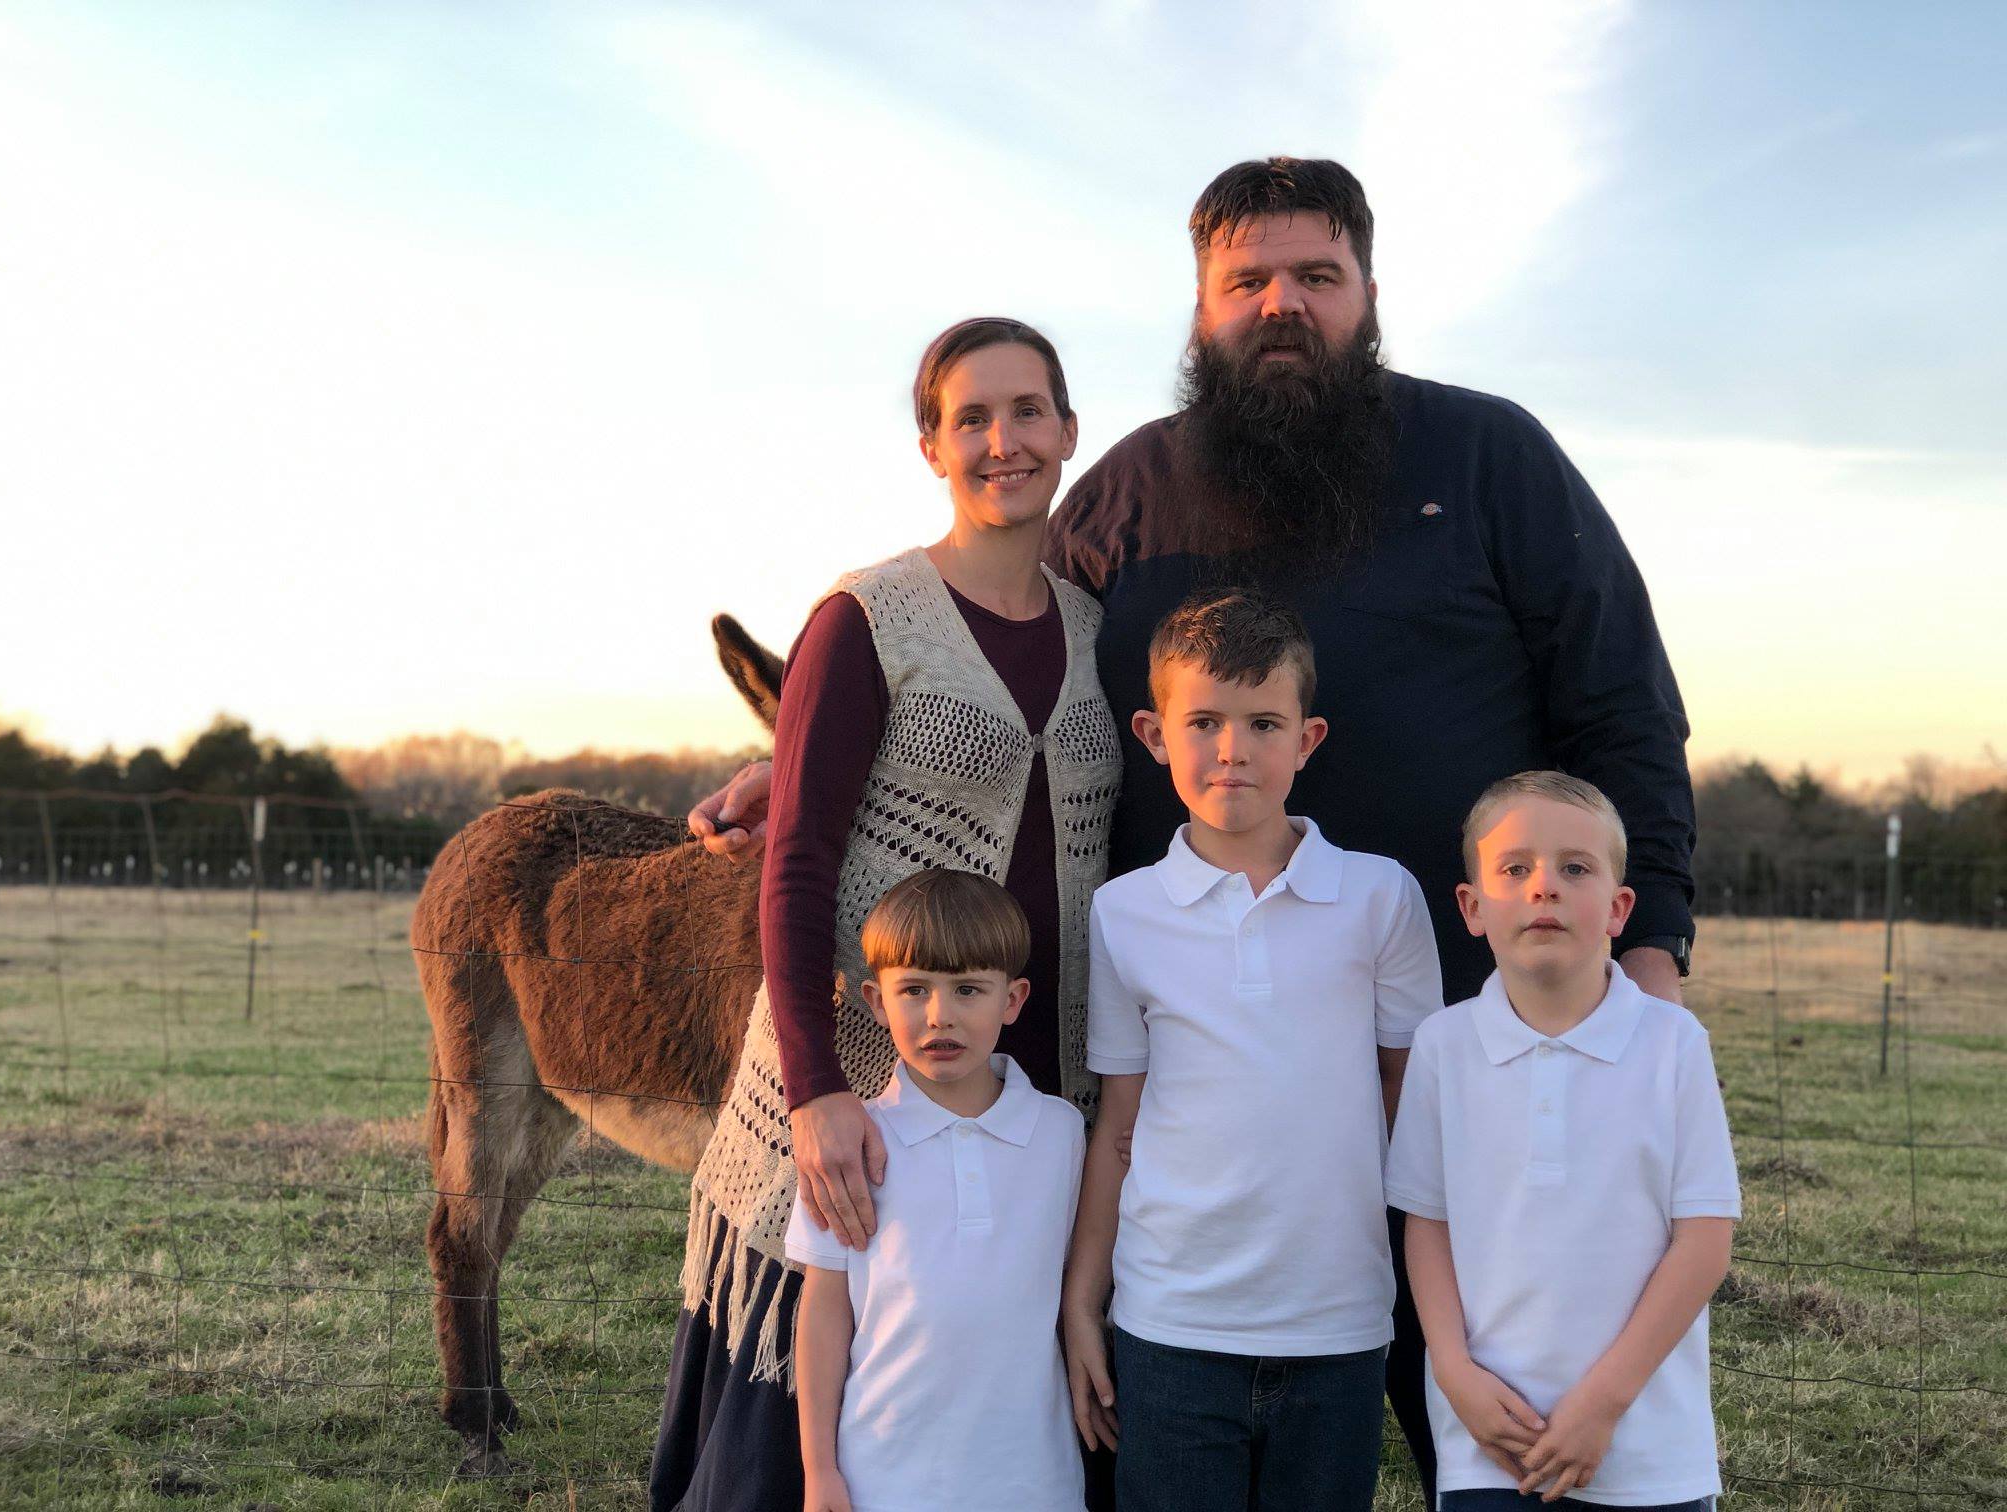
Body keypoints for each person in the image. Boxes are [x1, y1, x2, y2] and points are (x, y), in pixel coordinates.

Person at [689, 157, 1698, 1503]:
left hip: (1470, 1028)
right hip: (1193, 1065)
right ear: (1202, 310)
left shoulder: (1493, 458)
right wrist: (806, 747)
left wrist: (1657, 944)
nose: (1283, 304)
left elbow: (1622, 702)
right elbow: (989, 650)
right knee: (1189, 1414)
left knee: (1507, 1400)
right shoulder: (1126, 496)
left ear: (1371, 295)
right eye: (1248, 282)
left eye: (1316, 277)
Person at [649, 317, 1121, 1511]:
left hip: (1027, 1100)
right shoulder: (869, 618)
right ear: (931, 445)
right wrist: (815, 1094)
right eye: (972, 418)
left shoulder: (1099, 633)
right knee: (809, 1432)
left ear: (1069, 433)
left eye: (1028, 413)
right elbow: (797, 861)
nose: (1003, 441)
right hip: (864, 1083)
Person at [1061, 589, 1444, 1511]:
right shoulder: (1124, 912)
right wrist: (1083, 1299)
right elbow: (1120, 1125)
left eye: (1263, 722)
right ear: (1155, 735)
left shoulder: (1380, 898)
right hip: (1169, 1323)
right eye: (1205, 722)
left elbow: (1416, 1109)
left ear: (1307, 739)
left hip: (1340, 1323)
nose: (1232, 750)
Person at [1385, 772, 1738, 1510]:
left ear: (1618, 908)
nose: (1543, 886)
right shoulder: (1444, 1047)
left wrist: (1604, 1404)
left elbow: (1704, 1240)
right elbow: (1428, 1225)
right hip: (1489, 1442)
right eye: (1515, 868)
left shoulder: (1672, 1044)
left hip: (1645, 1449)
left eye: (1574, 868)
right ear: (1472, 907)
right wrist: (1453, 1373)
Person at [788, 869, 1086, 1512]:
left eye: (969, 989)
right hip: (882, 1478)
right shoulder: (852, 1146)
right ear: (876, 1000)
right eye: (914, 989)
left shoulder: (1061, 1134)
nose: (940, 1014)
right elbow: (824, 1311)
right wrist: (819, 1470)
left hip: (1033, 1480)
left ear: (1013, 1000)